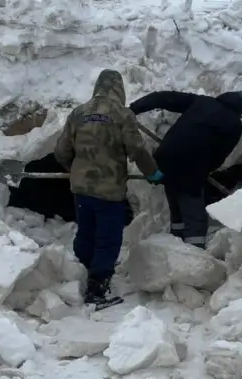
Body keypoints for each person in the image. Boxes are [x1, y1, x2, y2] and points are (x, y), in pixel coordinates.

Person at [54, 69, 163, 307]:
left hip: (81, 188)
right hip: (109, 190)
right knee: (107, 239)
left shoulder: (78, 112)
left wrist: (76, 168)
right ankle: (96, 290)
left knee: (86, 231)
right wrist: (152, 172)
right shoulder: (122, 114)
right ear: (118, 89)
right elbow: (137, 149)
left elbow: (61, 150)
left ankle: (81, 272)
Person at [129, 89, 242, 248]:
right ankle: (193, 255)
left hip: (165, 159)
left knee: (177, 208)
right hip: (191, 167)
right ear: (240, 112)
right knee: (195, 217)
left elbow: (165, 98)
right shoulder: (234, 124)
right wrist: (205, 170)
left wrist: (134, 108)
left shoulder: (202, 102)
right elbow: (220, 154)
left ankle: (174, 247)